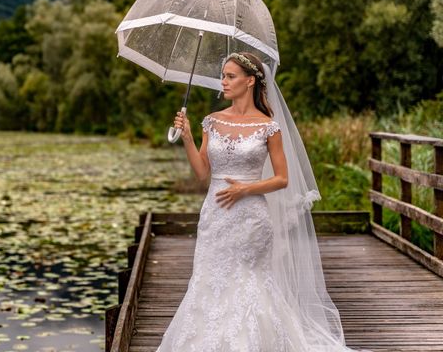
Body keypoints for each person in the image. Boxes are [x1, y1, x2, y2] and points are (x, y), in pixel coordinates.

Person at [154, 52, 367, 352]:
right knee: (209, 280)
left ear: (250, 80)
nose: (223, 81)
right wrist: (188, 137)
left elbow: (282, 179)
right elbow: (203, 173)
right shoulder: (211, 122)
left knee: (249, 283)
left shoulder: (269, 127)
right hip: (215, 216)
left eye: (230, 76)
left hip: (252, 219)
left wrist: (246, 189)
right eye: (223, 75)